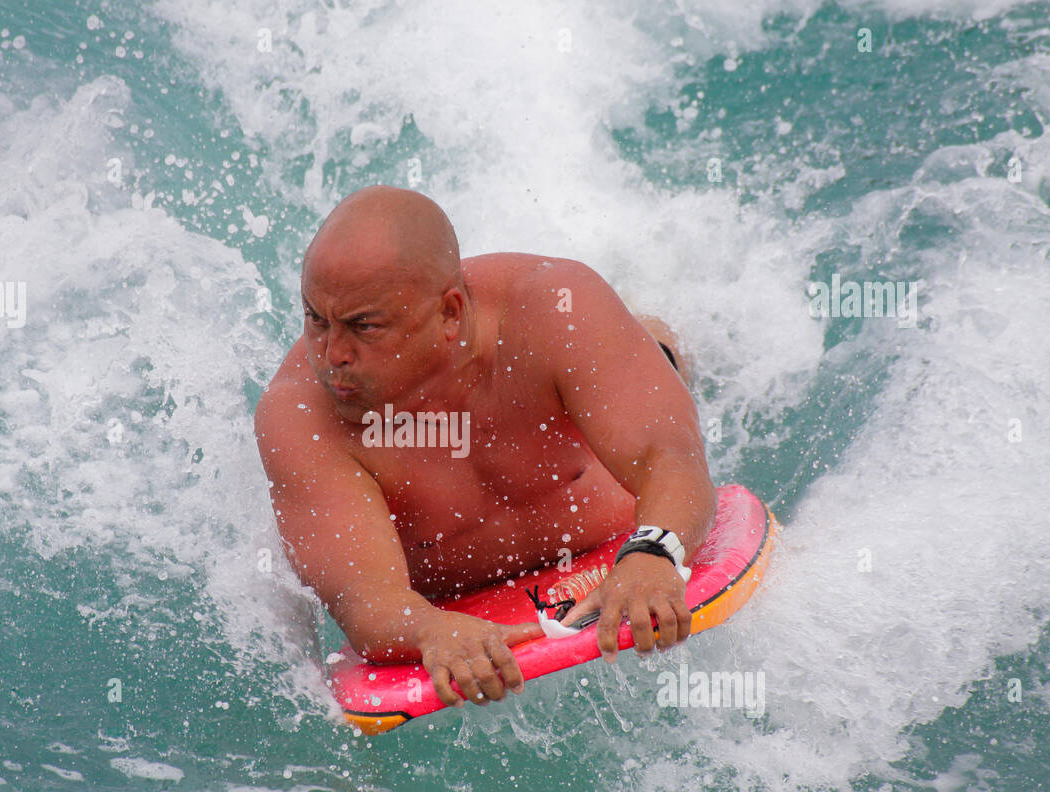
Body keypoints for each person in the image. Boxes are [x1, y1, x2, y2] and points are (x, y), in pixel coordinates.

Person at [255, 186, 715, 709]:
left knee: (658, 380)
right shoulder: (300, 415)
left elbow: (673, 461)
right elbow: (367, 605)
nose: (332, 355)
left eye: (363, 327)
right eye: (316, 319)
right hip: (455, 593)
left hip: (600, 478)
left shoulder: (554, 308)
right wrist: (428, 629)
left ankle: (652, 345)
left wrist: (655, 551)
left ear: (451, 314)